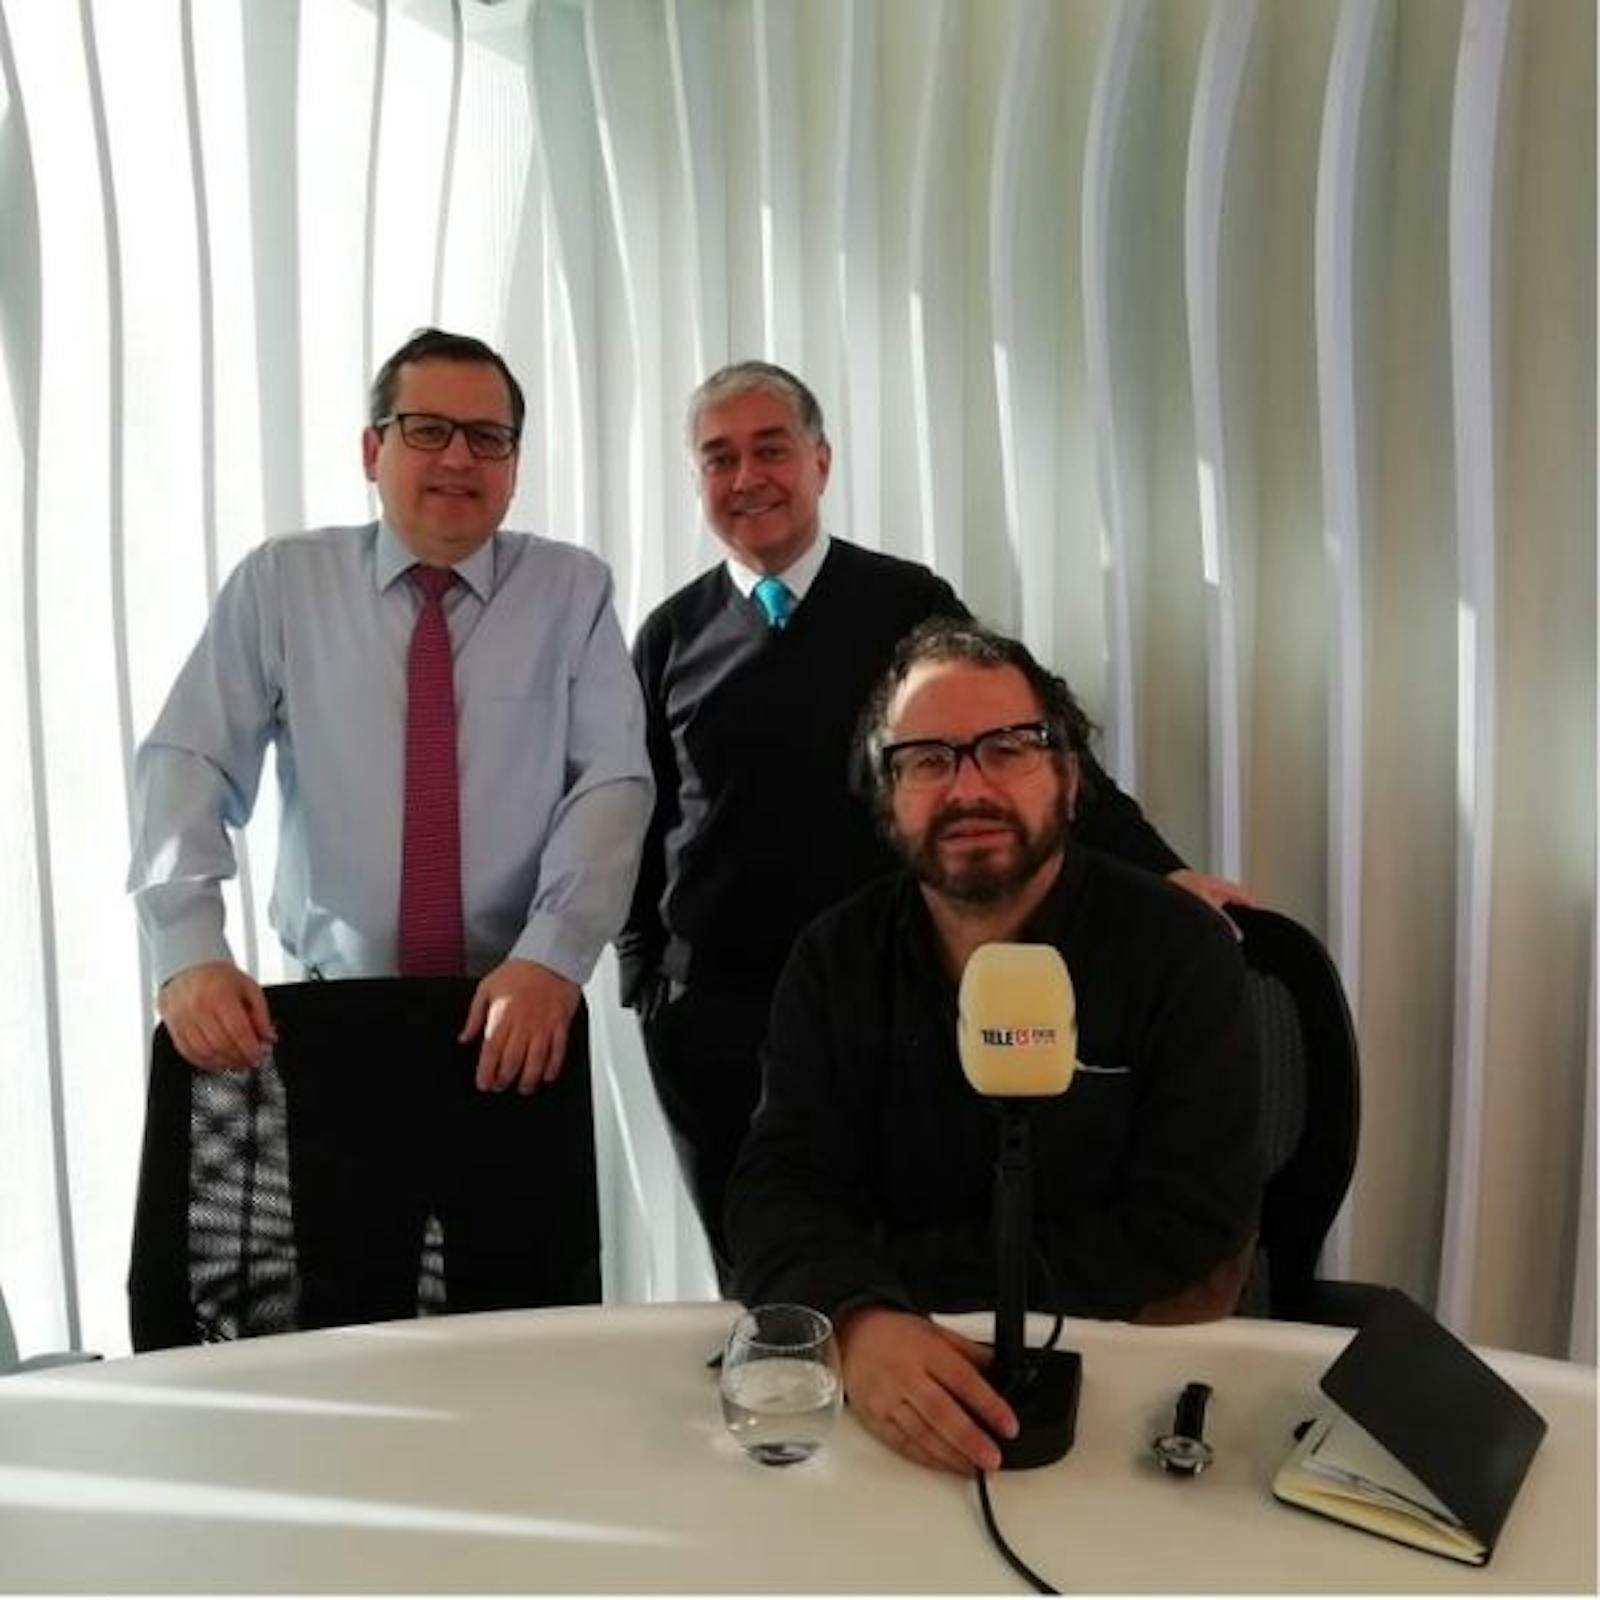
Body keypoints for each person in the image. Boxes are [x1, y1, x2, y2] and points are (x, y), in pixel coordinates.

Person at [617, 360, 1250, 1278]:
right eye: (719, 458)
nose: (747, 476)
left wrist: (1163, 871)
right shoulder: (671, 633)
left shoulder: (903, 600)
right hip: (712, 1007)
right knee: (760, 1261)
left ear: (821, 461)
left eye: (771, 449)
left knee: (894, 1251)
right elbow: (636, 805)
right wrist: (642, 966)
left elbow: (1022, 743)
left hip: (868, 997)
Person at [128, 327, 653, 1319]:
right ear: (373, 450)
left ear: (514, 464)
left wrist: (553, 955)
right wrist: (188, 947)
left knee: (524, 1324)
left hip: (511, 1023)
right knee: (341, 1308)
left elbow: (611, 782)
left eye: (488, 438)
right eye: (426, 430)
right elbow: (188, 759)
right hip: (337, 1030)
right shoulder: (282, 583)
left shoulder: (570, 591)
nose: (458, 457)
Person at [725, 617, 1262, 1474]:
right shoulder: (834, 958)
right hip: (891, 1381)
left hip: (1124, 1385)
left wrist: (892, 1284)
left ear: (1069, 779)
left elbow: (1193, 1224)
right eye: (927, 760)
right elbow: (777, 1187)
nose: (968, 788)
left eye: (1008, 749)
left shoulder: (1177, 951)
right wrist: (859, 1321)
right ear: (886, 796)